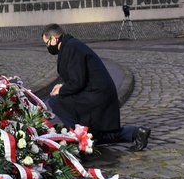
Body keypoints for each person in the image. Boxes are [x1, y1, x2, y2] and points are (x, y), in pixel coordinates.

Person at [42, 23, 150, 151]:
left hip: (95, 96)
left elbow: (78, 82)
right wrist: (63, 85)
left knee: (55, 101)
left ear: (54, 39)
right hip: (95, 93)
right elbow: (79, 75)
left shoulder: (71, 48)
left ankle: (79, 135)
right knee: (97, 136)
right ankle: (137, 133)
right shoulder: (70, 45)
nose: (47, 46)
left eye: (47, 43)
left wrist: (62, 89)